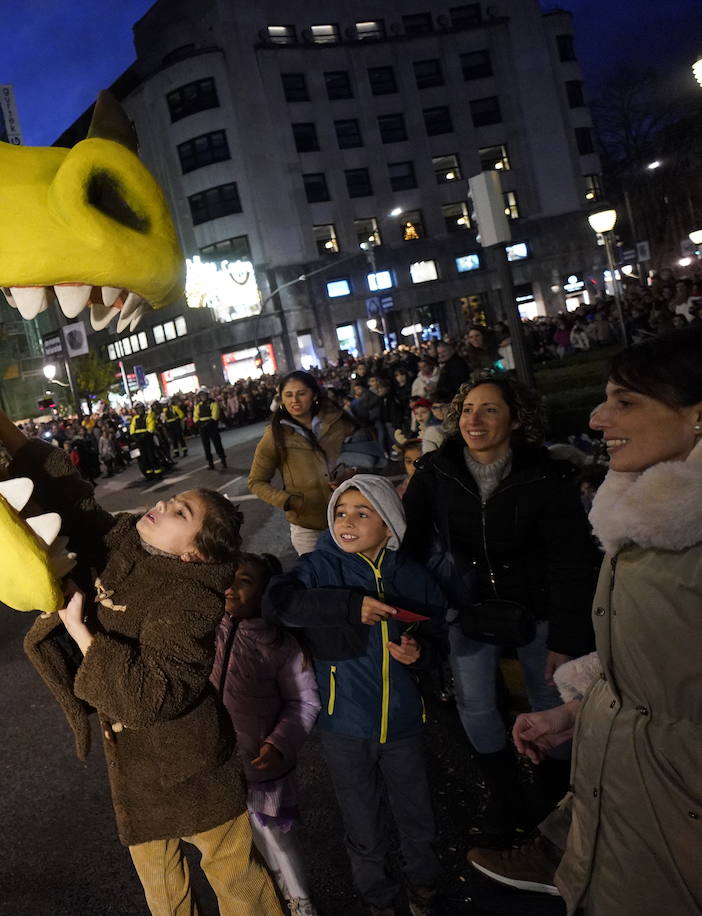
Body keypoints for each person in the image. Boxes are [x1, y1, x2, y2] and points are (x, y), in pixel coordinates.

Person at [0, 368, 285, 915]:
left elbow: (151, 696)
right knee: (166, 900)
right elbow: (65, 494)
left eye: (181, 512)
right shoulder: (123, 543)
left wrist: (80, 629)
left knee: (240, 888)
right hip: (137, 778)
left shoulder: (194, 597)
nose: (162, 506)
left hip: (194, 768)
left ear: (196, 553)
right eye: (172, 500)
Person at [465, 324, 702, 911]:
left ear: (697, 415)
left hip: (676, 818)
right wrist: (579, 712)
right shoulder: (644, 518)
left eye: (626, 402)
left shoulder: (676, 532)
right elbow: (661, 668)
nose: (598, 419)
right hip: (634, 800)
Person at [402, 375, 601, 837]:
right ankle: (505, 796)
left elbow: (572, 561)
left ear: (516, 419)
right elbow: (410, 545)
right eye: (468, 409)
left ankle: (555, 795)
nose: (474, 419)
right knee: (474, 703)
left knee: (549, 696)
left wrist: (566, 638)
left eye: (490, 409)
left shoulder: (546, 475)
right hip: (466, 608)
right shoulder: (436, 472)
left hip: (538, 610)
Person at [265, 476, 448, 916]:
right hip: (344, 725)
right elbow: (277, 603)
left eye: (362, 513)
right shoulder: (319, 567)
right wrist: (348, 606)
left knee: (416, 814)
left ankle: (424, 886)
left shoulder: (413, 576)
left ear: (389, 526)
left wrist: (420, 654)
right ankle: (378, 899)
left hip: (403, 722)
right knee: (362, 820)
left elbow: (438, 639)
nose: (346, 521)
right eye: (340, 512)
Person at [211, 553, 320, 916]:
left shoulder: (279, 644)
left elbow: (304, 701)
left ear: (267, 593)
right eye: (228, 577)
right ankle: (273, 898)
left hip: (262, 766)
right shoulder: (210, 627)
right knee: (244, 840)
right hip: (221, 764)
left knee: (277, 838)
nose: (231, 587)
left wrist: (278, 744)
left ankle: (301, 902)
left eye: (245, 581)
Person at [248, 371, 355, 556]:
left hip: (349, 516)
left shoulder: (337, 421)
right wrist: (288, 501)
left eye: (301, 393)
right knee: (318, 573)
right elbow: (256, 481)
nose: (295, 400)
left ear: (314, 394)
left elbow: (366, 453)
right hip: (308, 527)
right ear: (281, 399)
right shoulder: (276, 434)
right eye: (288, 395)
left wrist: (351, 472)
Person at [128, 402, 166, 479]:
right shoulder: (135, 418)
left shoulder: (148, 416)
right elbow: (132, 428)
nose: (139, 410)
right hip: (139, 441)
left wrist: (144, 436)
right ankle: (149, 475)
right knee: (144, 458)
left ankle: (158, 473)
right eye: (138, 409)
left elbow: (151, 428)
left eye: (140, 408)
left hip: (148, 439)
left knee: (152, 456)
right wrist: (133, 436)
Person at [194, 389, 228, 469]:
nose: (202, 397)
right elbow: (195, 416)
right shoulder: (198, 405)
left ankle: (223, 460)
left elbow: (215, 415)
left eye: (204, 395)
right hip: (202, 427)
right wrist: (199, 424)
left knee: (217, 444)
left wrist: (208, 424)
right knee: (206, 446)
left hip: (212, 426)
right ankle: (210, 463)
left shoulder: (213, 403)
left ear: (207, 395)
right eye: (201, 395)